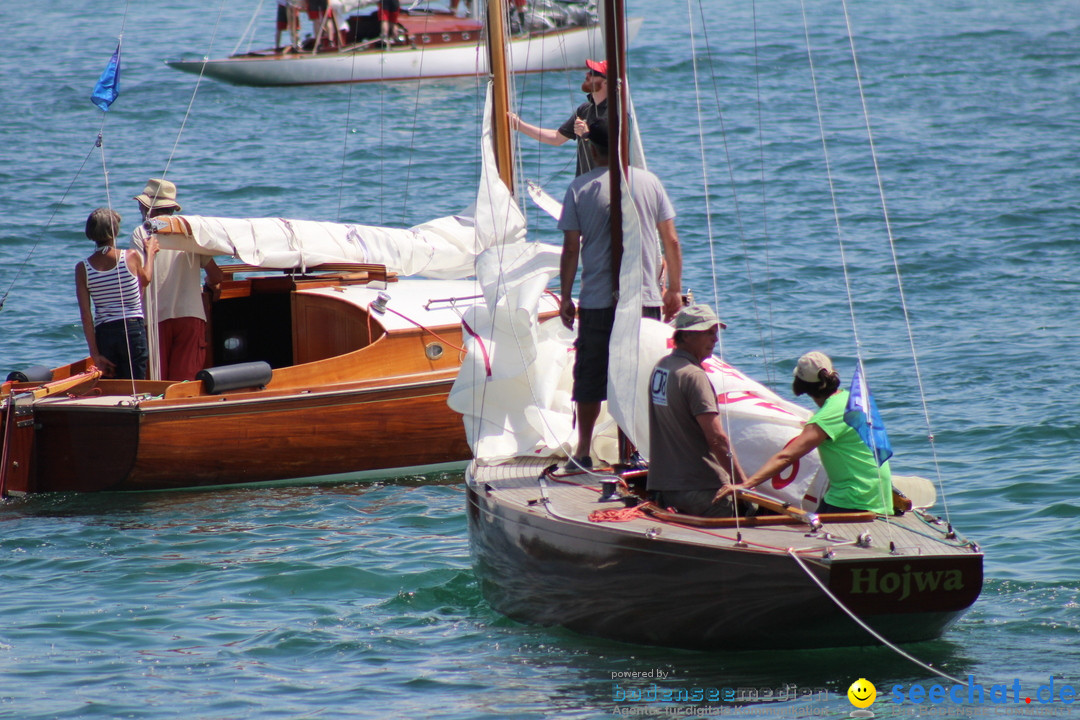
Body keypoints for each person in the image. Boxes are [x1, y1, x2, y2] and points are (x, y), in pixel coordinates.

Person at [557, 121, 683, 469]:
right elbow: (670, 240)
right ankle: (643, 450)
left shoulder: (579, 188)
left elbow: (570, 249)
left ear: (592, 149)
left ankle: (582, 451)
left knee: (590, 376)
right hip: (643, 298)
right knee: (643, 372)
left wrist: (566, 297)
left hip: (598, 299)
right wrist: (672, 288)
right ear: (622, 146)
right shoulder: (649, 182)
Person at [716, 351, 894, 515]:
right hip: (878, 492)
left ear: (800, 386)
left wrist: (745, 485)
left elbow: (786, 457)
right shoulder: (849, 399)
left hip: (855, 498)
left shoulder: (826, 417)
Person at [647, 305, 748, 516]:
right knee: (752, 510)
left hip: (666, 487)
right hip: (701, 490)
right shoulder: (694, 376)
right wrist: (742, 483)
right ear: (686, 336)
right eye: (708, 333)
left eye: (715, 333)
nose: (715, 340)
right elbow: (717, 438)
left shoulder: (661, 367)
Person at [131, 178, 224, 382]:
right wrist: (210, 286)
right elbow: (216, 275)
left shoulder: (141, 233)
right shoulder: (190, 232)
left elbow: (140, 278)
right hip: (191, 316)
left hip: (155, 318)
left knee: (156, 384)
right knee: (184, 385)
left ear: (148, 207)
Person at [76, 208, 158, 380]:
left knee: (112, 387)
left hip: (105, 333)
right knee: (137, 384)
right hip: (133, 329)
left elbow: (85, 315)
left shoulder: (83, 268)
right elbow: (146, 279)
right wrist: (149, 253)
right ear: (115, 231)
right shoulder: (131, 256)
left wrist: (95, 354)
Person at [508, 59, 608, 176]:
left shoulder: (616, 113)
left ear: (607, 82)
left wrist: (587, 135)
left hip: (606, 187)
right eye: (589, 71)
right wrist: (519, 125)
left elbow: (616, 153)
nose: (587, 74)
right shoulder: (585, 110)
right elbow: (556, 138)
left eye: (594, 73)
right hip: (583, 186)